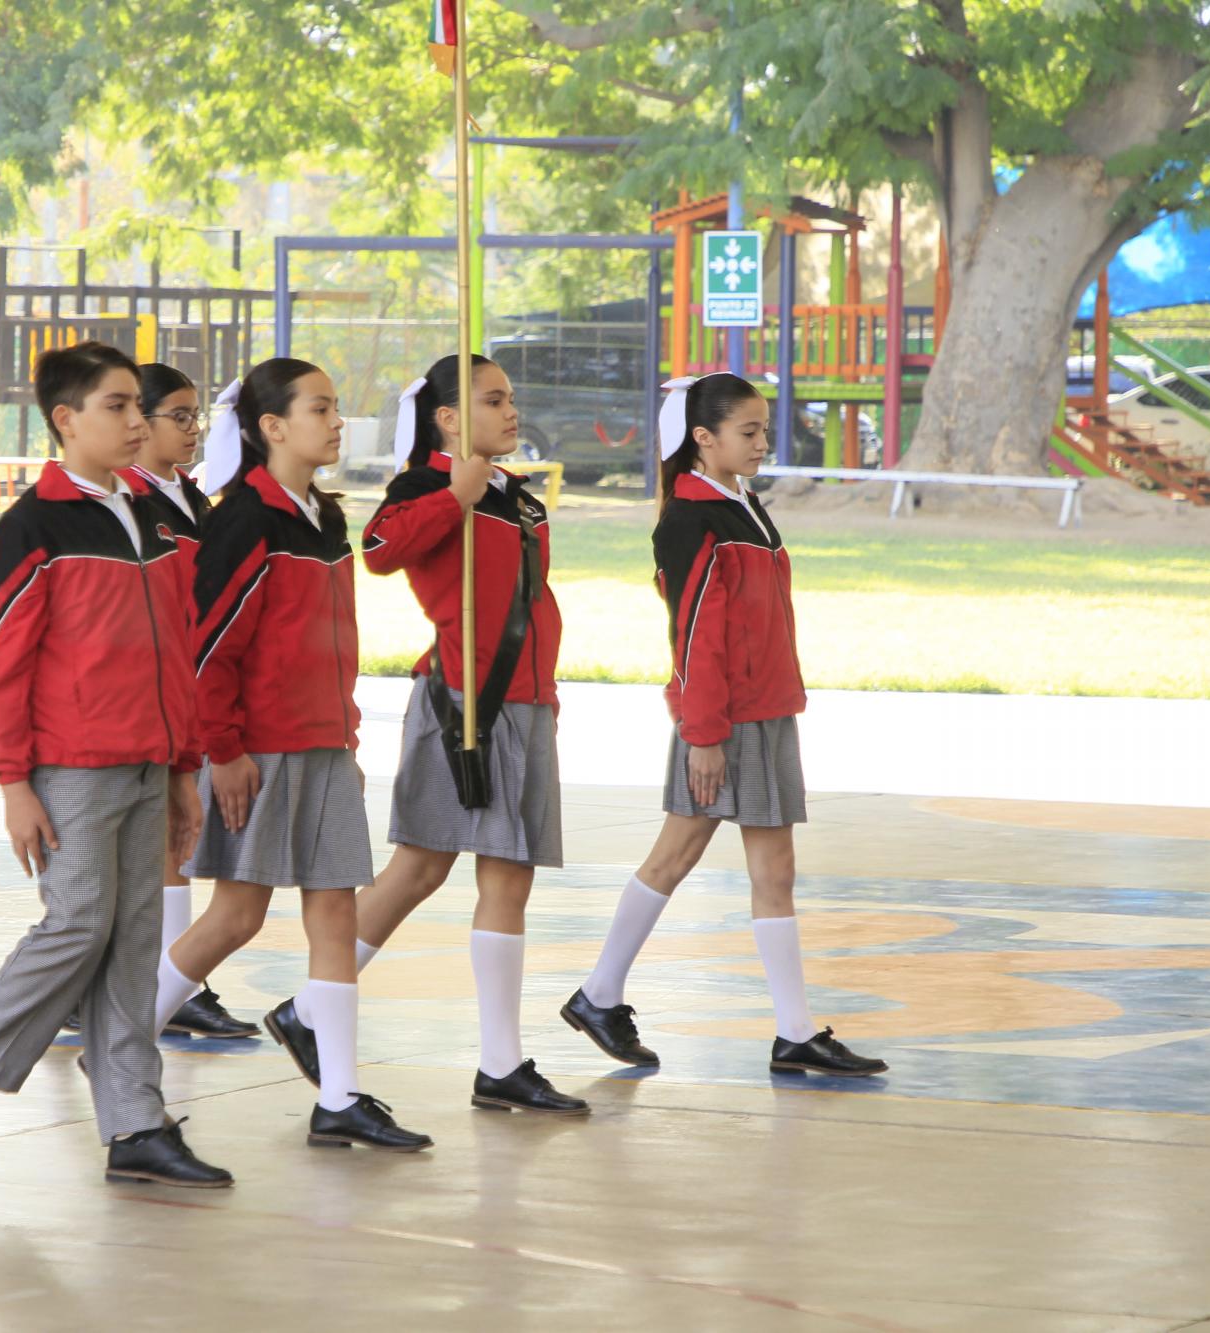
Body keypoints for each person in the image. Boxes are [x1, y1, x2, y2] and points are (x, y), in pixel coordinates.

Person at [0, 342, 230, 1188]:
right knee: (79, 924)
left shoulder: (156, 516)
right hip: (70, 766)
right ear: (66, 419)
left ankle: (134, 1123)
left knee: (134, 942)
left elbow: (183, 649)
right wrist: (14, 783)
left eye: (138, 408)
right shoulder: (35, 525)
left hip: (152, 761)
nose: (136, 422)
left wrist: (186, 767)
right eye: (117, 407)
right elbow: (3, 661)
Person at [562, 373, 887, 1078]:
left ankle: (795, 1030)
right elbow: (695, 636)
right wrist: (703, 733)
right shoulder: (689, 516)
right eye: (749, 431)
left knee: (776, 871)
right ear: (701, 439)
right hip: (722, 719)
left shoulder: (744, 503)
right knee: (673, 858)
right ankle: (598, 993)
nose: (763, 442)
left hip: (767, 715)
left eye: (764, 429)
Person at [154, 357, 432, 1153]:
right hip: (258, 753)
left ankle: (339, 1096)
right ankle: (125, 1038)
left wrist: (344, 738)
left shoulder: (327, 518)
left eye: (337, 407)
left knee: (335, 914)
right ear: (272, 426)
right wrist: (227, 751)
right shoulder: (242, 519)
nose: (338, 421)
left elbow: (329, 641)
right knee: (237, 916)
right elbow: (208, 651)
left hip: (321, 747)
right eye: (321, 408)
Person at [337, 354, 588, 1116]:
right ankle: (318, 1002)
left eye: (512, 398)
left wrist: (543, 691)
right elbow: (378, 551)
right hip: (464, 701)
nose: (512, 412)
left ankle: (500, 1061)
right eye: (492, 400)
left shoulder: (516, 496)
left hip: (522, 699)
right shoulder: (427, 485)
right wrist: (453, 496)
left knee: (508, 873)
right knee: (417, 868)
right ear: (447, 417)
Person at [120, 363, 257, 1040]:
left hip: (182, 691)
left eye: (196, 414)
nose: (192, 427)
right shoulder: (131, 503)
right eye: (179, 415)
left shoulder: (194, 500)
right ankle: (140, 981)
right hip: (139, 694)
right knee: (139, 850)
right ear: (137, 422)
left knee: (175, 841)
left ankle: (178, 979)